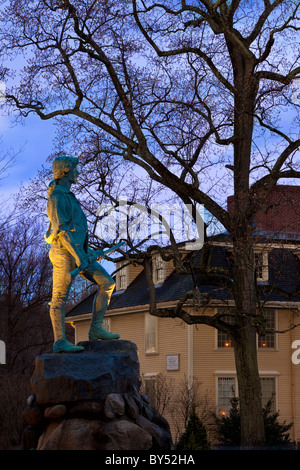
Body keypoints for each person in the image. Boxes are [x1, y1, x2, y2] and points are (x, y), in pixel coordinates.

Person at [45, 155, 120, 353]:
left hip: (79, 253)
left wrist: (88, 252)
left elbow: (77, 232)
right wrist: (78, 256)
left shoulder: (69, 196)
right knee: (59, 298)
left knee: (108, 283)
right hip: (64, 254)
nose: (78, 172)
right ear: (66, 170)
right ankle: (60, 341)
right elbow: (61, 232)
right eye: (75, 169)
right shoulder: (56, 198)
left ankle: (95, 329)